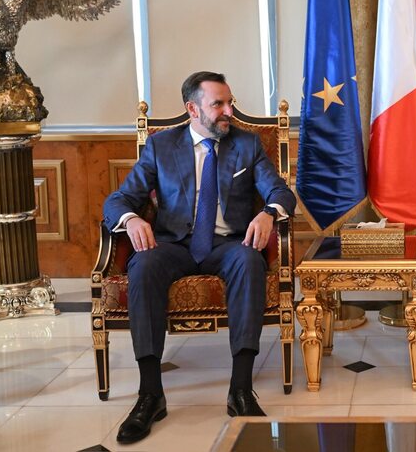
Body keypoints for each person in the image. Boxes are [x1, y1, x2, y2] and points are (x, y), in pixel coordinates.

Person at [103, 71, 296, 444]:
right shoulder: (161, 146)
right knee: (142, 266)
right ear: (193, 109)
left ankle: (241, 390)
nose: (229, 112)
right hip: (173, 243)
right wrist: (130, 219)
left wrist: (268, 213)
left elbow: (280, 191)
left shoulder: (247, 144)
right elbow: (119, 199)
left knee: (250, 262)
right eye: (218, 104)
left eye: (229, 102)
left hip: (228, 243)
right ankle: (150, 395)